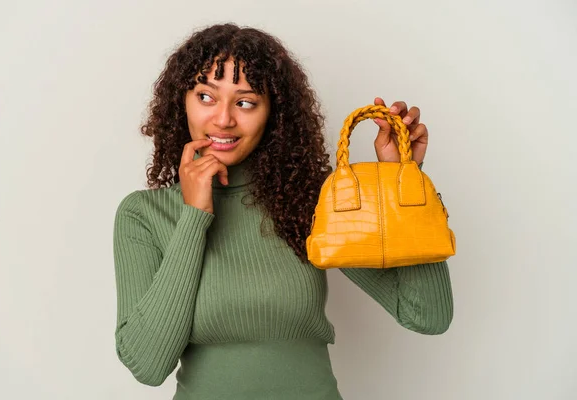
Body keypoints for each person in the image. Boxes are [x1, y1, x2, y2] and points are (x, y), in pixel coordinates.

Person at [112, 23, 453, 399]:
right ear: (182, 101)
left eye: (245, 102)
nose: (224, 119)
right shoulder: (143, 215)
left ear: (274, 114)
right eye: (206, 97)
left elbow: (427, 316)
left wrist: (400, 182)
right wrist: (194, 215)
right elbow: (147, 364)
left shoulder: (310, 201)